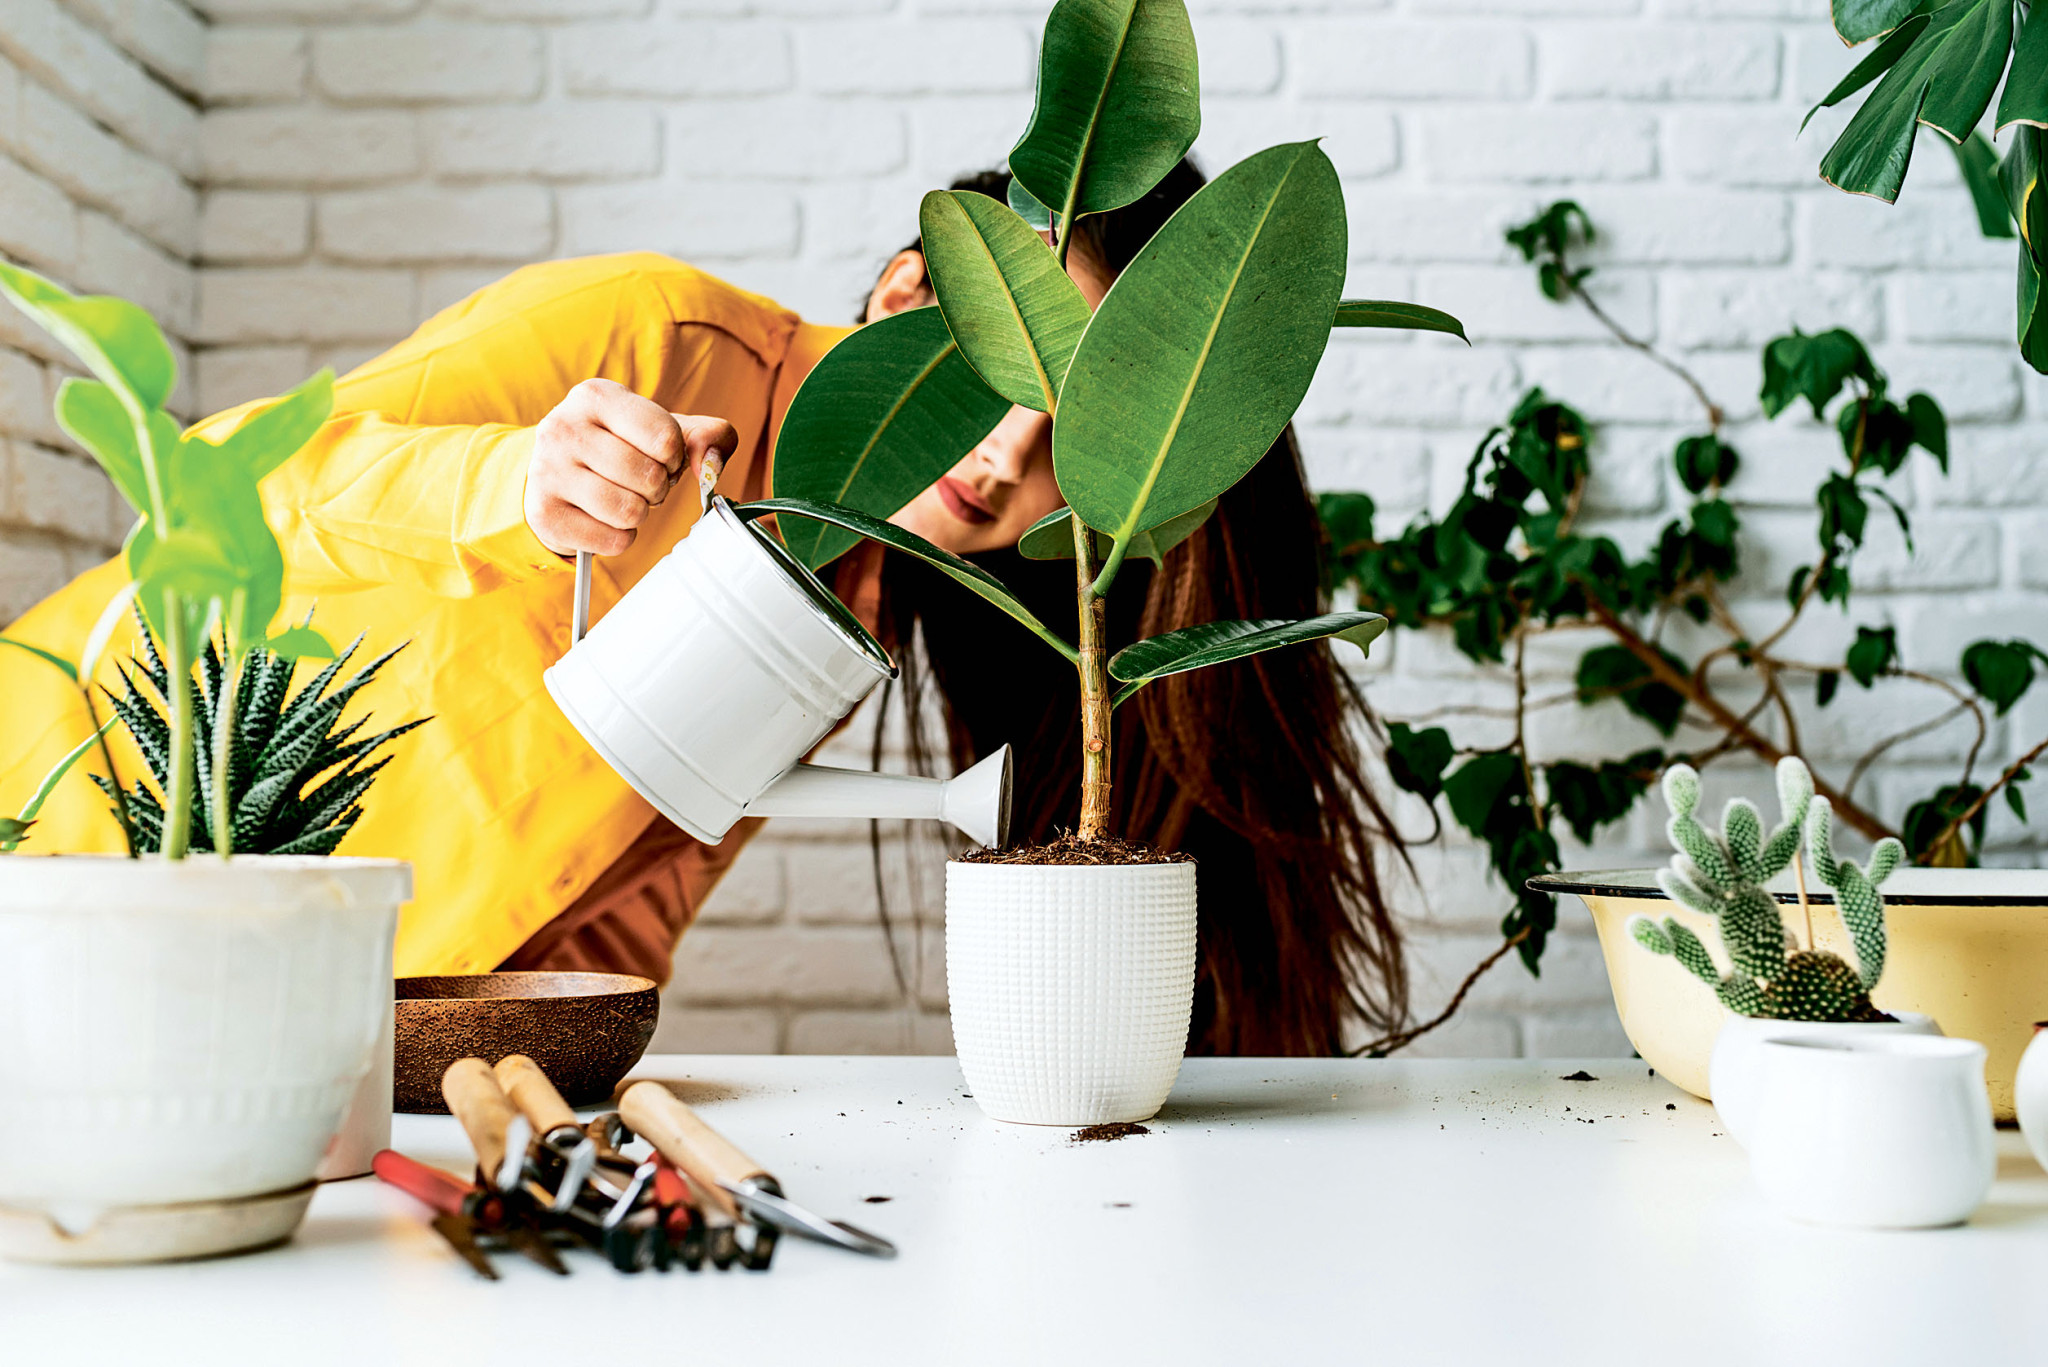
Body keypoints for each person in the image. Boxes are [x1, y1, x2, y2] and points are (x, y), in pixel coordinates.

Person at [0, 159, 1408, 1055]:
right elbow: (219, 484)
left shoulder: (854, 597)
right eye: (1011, 383)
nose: (1004, 462)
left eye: (1074, 442)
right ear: (908, 292)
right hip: (58, 830)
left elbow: (628, 883)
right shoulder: (652, 335)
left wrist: (562, 1070)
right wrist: (511, 482)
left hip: (254, 1010)